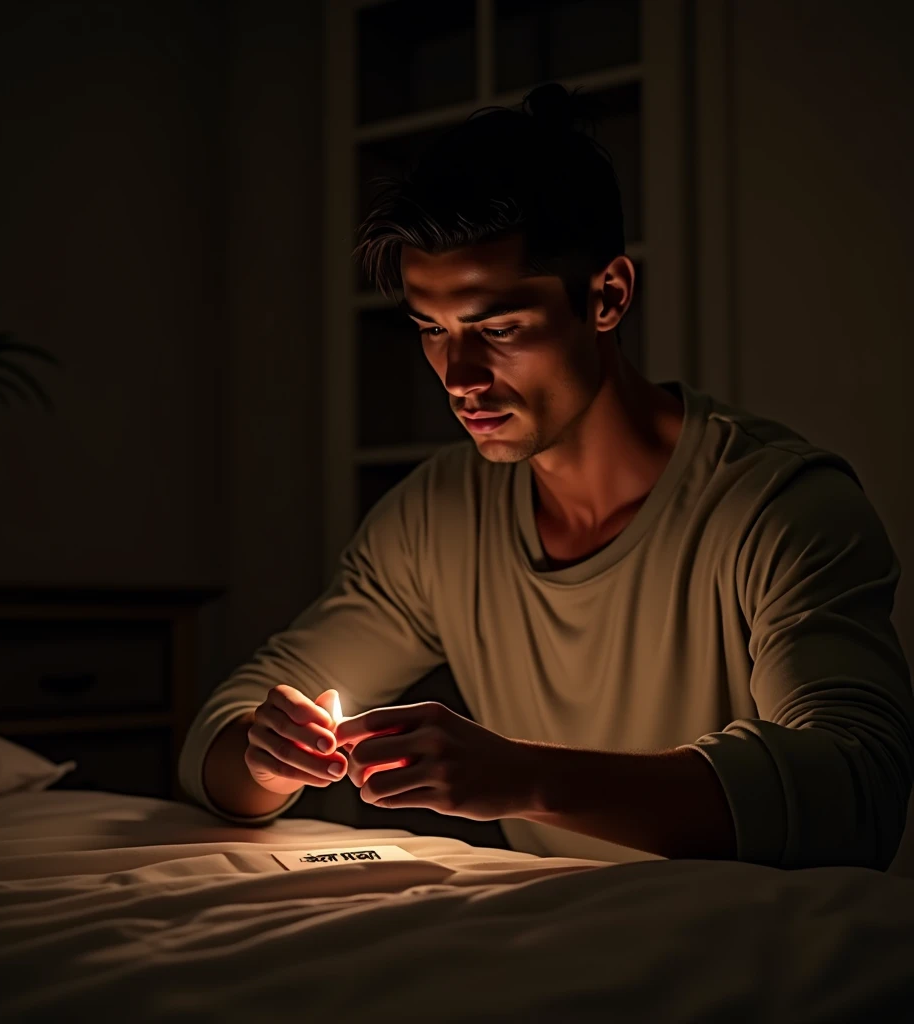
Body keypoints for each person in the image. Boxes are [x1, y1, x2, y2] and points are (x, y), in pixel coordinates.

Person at [179, 83, 914, 869]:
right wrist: (265, 757)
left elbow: (857, 792)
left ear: (607, 296)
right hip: (562, 944)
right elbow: (221, 733)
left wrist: (528, 778)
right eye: (432, 329)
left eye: (498, 329)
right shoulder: (438, 517)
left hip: (763, 952)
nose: (458, 375)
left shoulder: (781, 507)